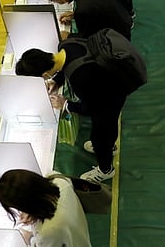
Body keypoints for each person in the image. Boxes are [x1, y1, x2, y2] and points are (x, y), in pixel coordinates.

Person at [17, 46, 131, 183]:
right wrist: (57, 81)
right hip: (111, 80)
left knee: (101, 135)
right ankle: (109, 146)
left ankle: (106, 170)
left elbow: (94, 108)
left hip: (111, 96)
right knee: (105, 130)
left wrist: (65, 104)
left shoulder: (80, 77)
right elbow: (66, 66)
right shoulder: (65, 47)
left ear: (45, 74)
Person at [0, 169, 91, 247]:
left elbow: (47, 241)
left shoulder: (48, 231)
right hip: (78, 231)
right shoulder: (57, 179)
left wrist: (30, 238)